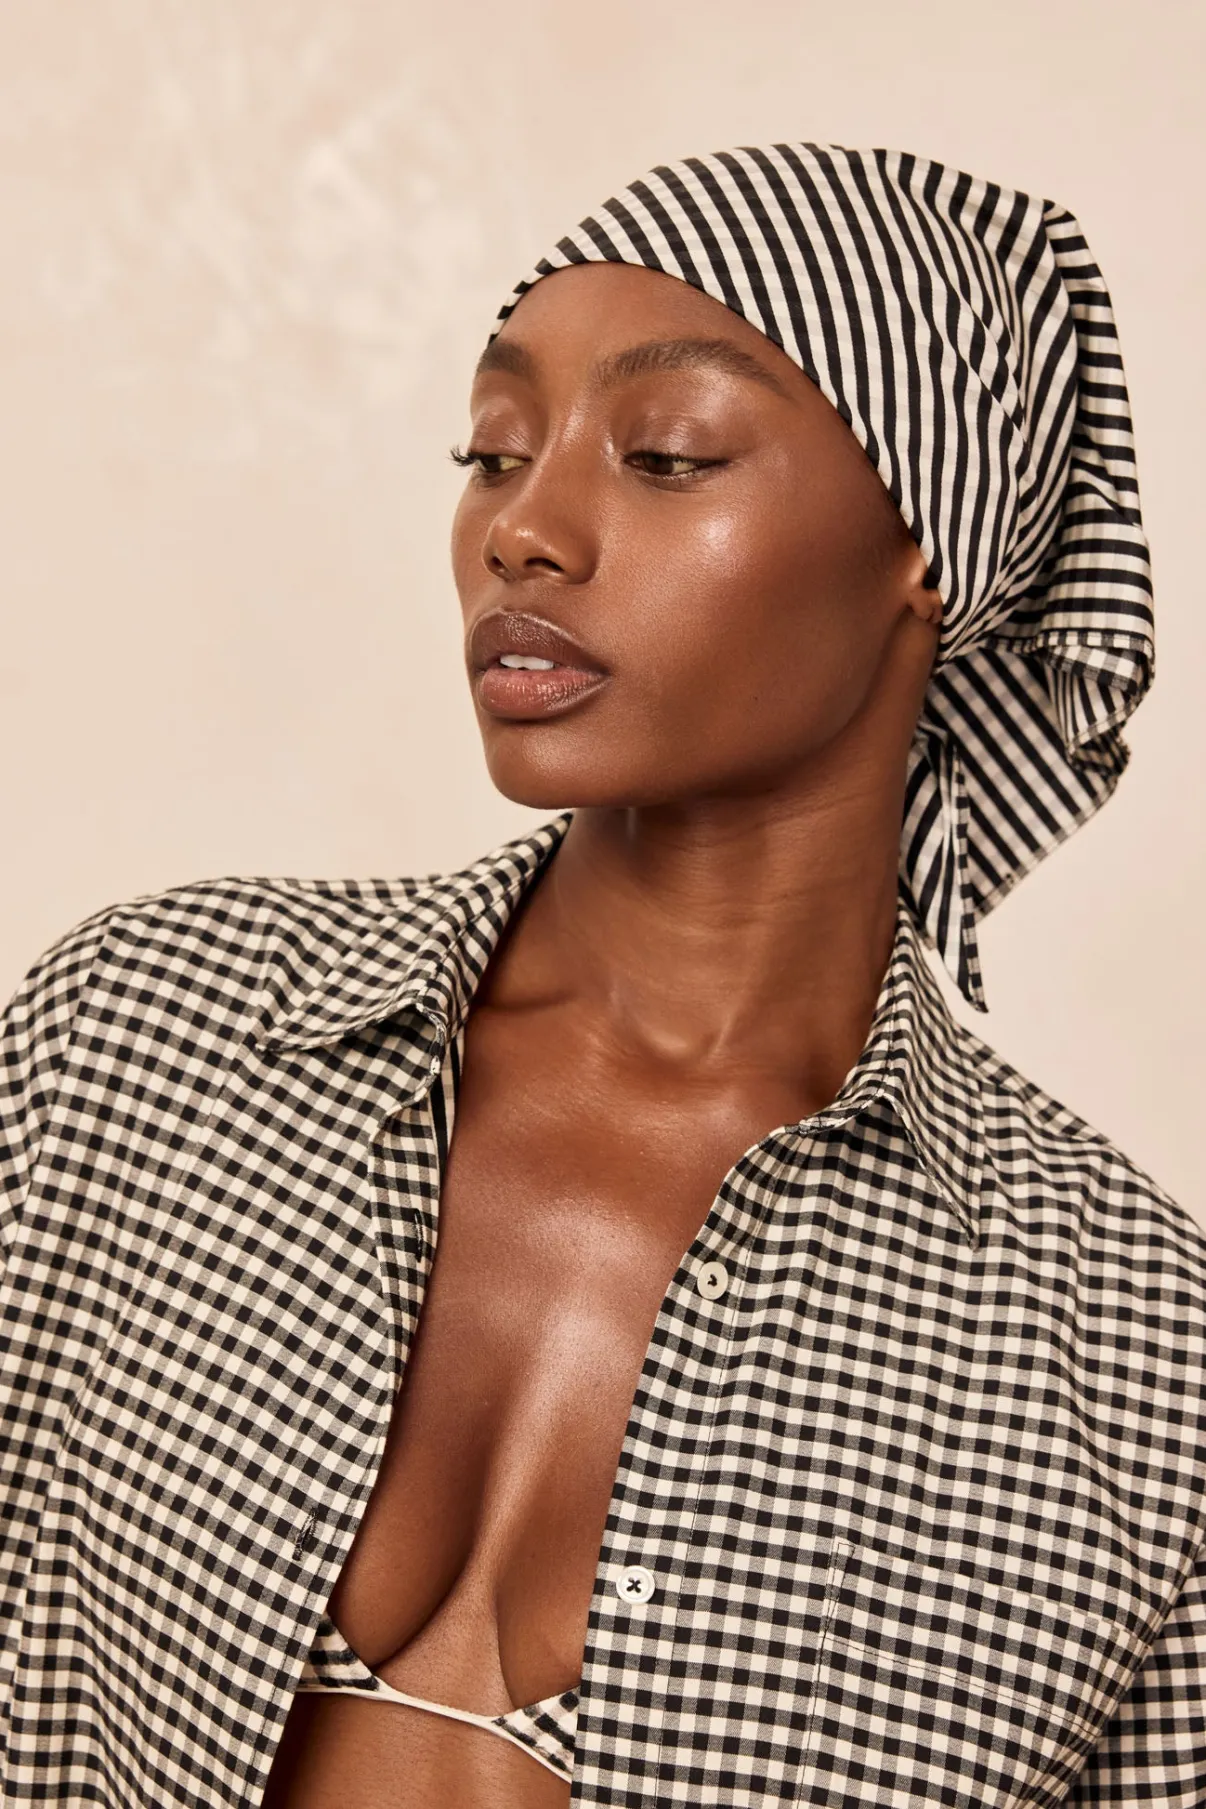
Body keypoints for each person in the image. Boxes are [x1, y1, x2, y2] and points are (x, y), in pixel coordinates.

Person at [1, 143, 1202, 1809]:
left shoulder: (1139, 1368)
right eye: (491, 452)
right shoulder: (141, 1043)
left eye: (664, 454)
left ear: (930, 540)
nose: (524, 530)